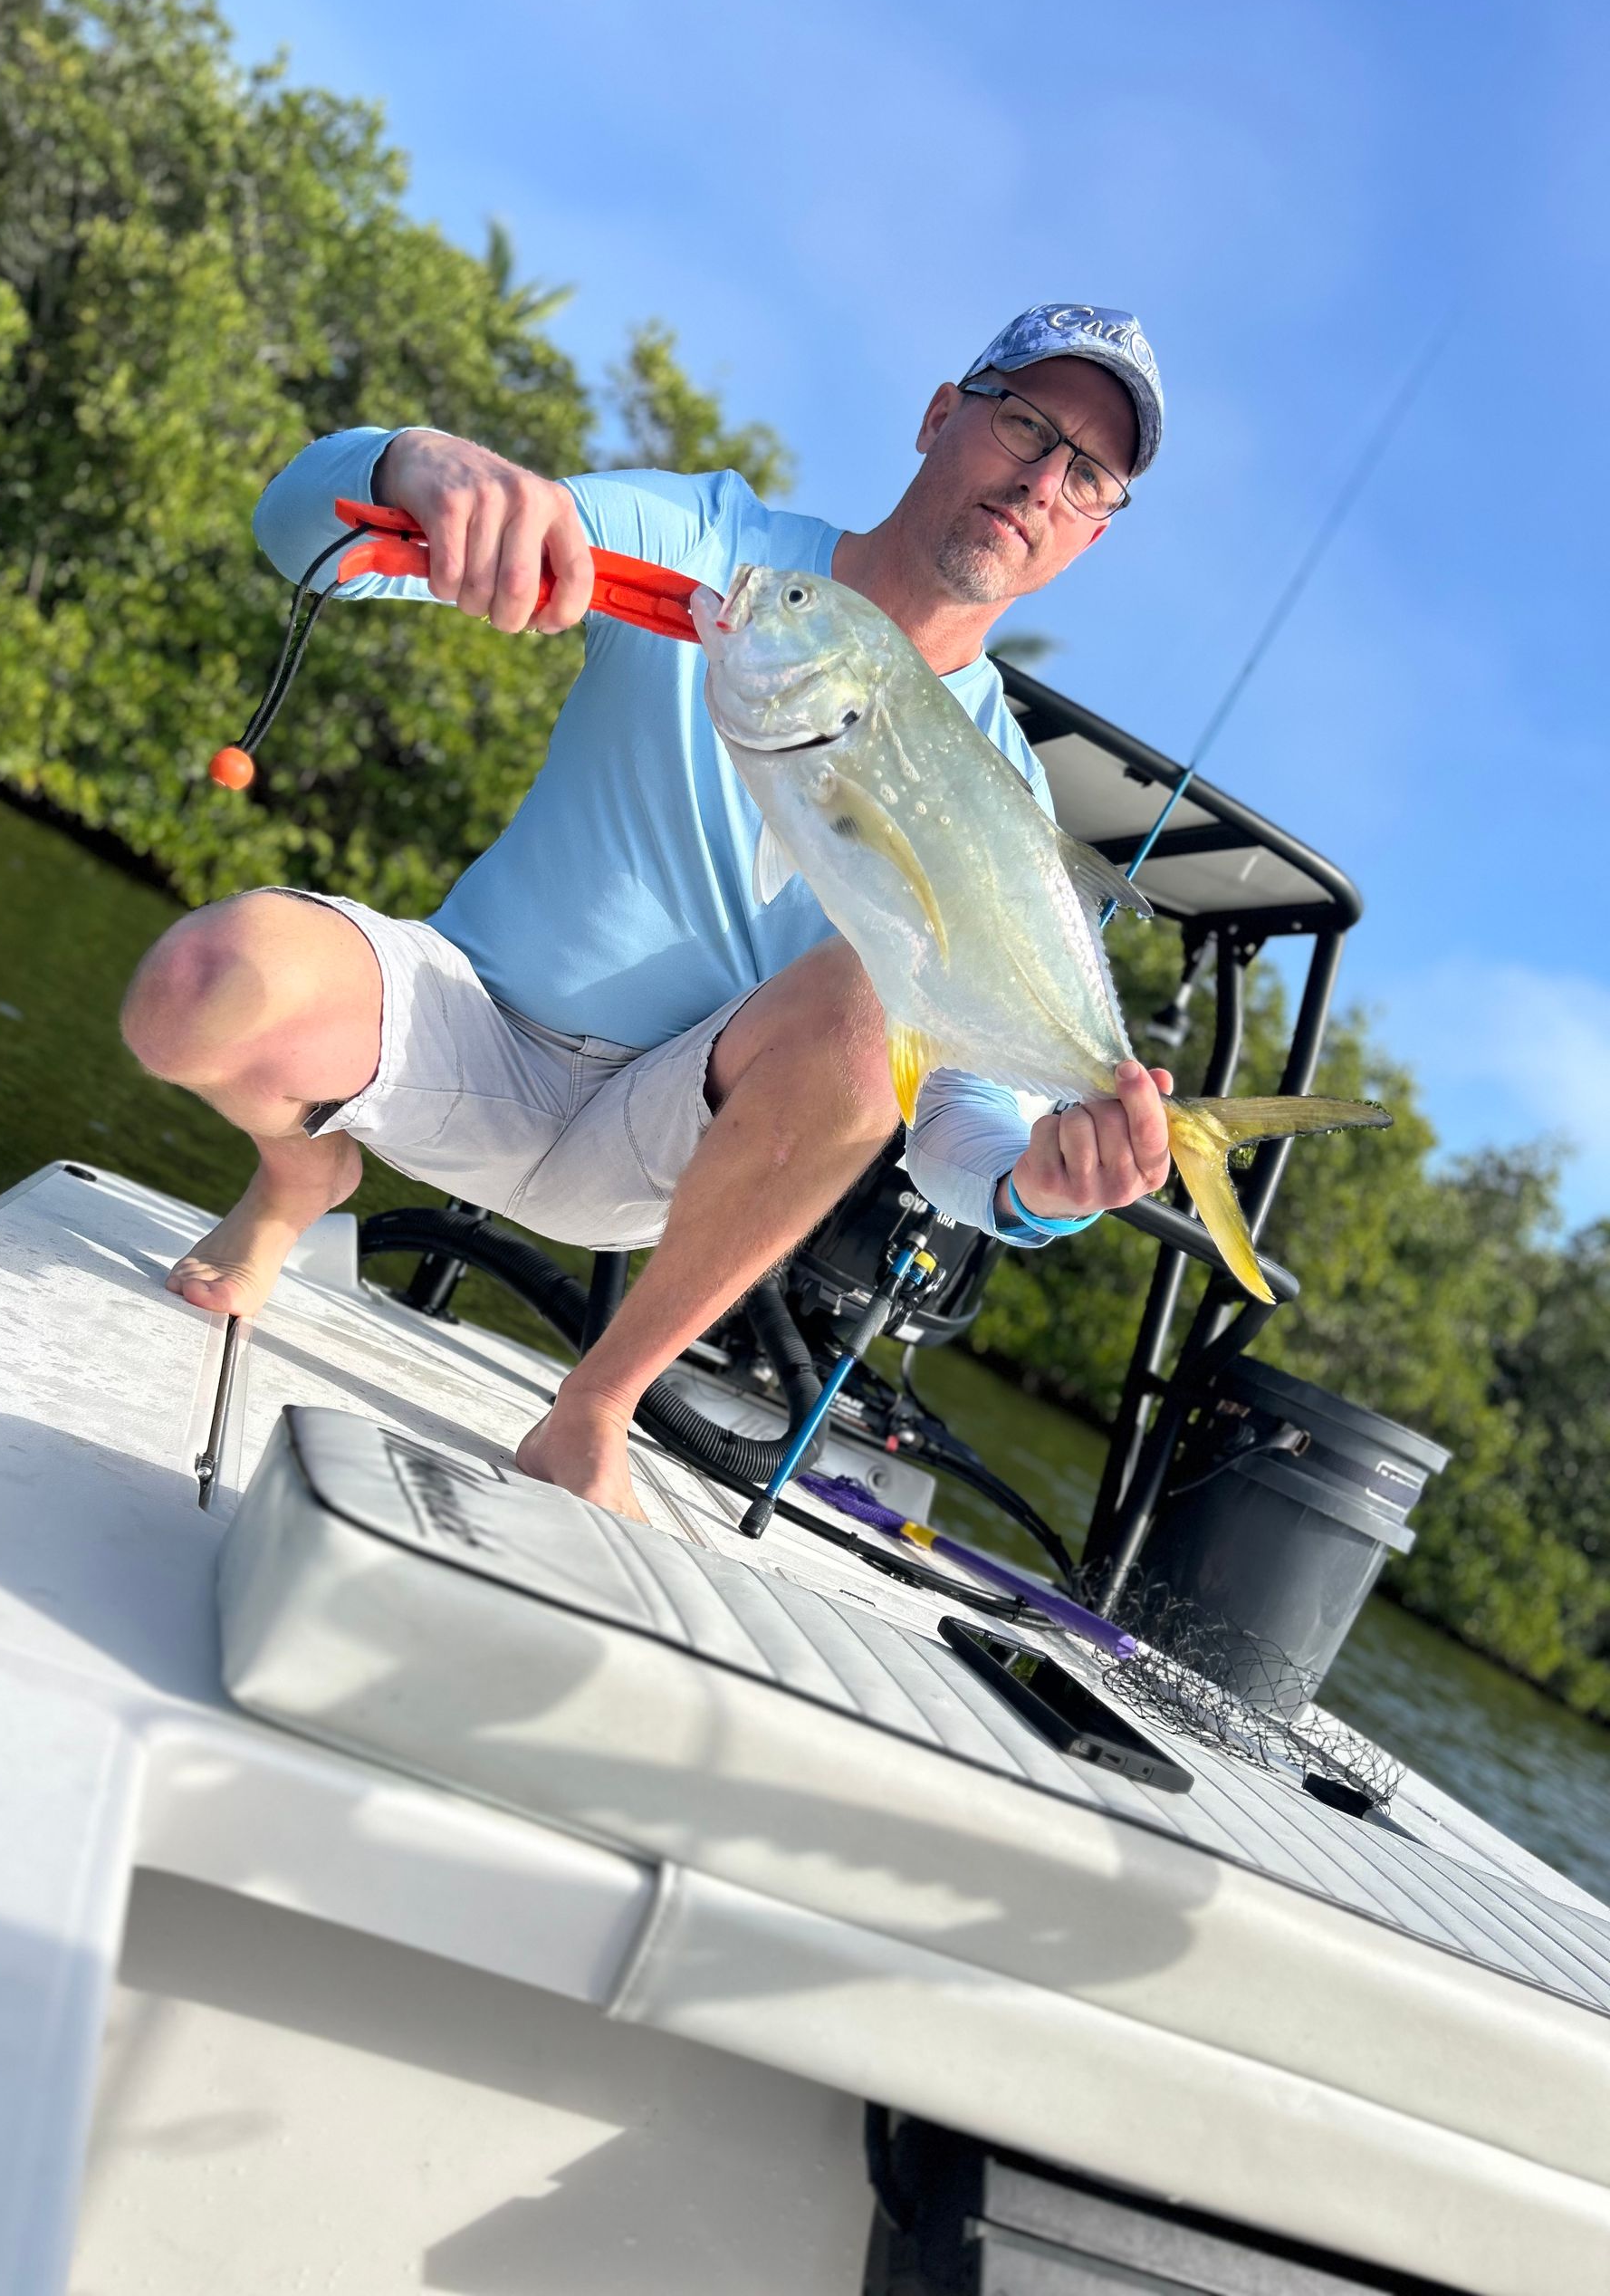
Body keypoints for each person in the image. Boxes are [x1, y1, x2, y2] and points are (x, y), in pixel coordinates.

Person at [122, 303, 1175, 1521]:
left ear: (1091, 530)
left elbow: (957, 1133)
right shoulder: (718, 548)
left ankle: (595, 1407)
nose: (1043, 478)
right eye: (1025, 424)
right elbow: (296, 535)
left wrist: (1037, 1191)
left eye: (1087, 473)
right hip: (467, 1037)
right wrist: (415, 462)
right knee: (192, 992)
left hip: (666, 1146)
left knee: (862, 995)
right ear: (943, 414)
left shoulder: (1013, 806)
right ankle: (299, 1172)